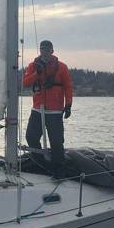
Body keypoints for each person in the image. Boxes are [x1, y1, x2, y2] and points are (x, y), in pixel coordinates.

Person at [22, 40, 73, 172]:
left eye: (47, 49)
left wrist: (68, 105)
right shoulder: (33, 66)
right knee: (31, 137)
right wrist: (37, 73)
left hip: (55, 111)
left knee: (56, 142)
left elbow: (68, 87)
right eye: (42, 49)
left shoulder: (62, 67)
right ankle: (40, 163)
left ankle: (58, 167)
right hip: (38, 109)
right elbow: (25, 83)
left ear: (52, 51)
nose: (44, 52)